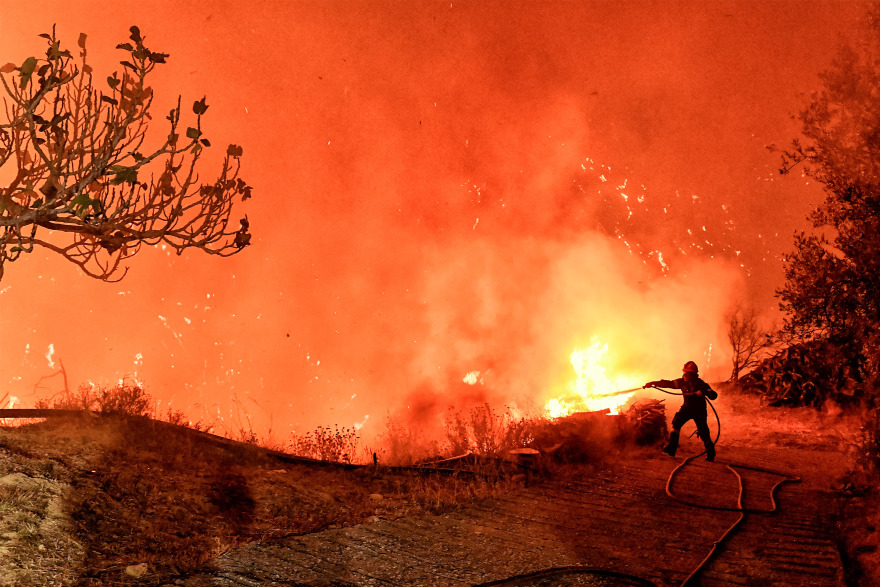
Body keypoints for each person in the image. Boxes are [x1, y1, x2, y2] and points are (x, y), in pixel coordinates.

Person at [644, 361, 718, 462]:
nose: (684, 374)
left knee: (703, 431)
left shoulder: (701, 384)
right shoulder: (682, 382)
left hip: (699, 411)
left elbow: (714, 395)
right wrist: (652, 383)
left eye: (686, 373)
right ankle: (672, 448)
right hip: (687, 408)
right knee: (676, 423)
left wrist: (704, 392)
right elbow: (667, 383)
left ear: (692, 374)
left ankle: (711, 453)